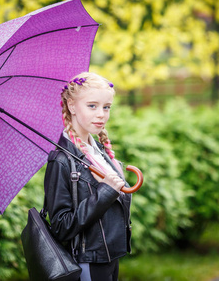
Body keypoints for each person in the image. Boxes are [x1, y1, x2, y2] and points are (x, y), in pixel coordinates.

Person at [43, 72, 132, 281]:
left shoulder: (97, 152)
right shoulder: (61, 161)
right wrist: (105, 192)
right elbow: (61, 226)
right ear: (72, 106)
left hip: (111, 256)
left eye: (106, 107)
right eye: (92, 106)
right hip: (87, 261)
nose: (101, 114)